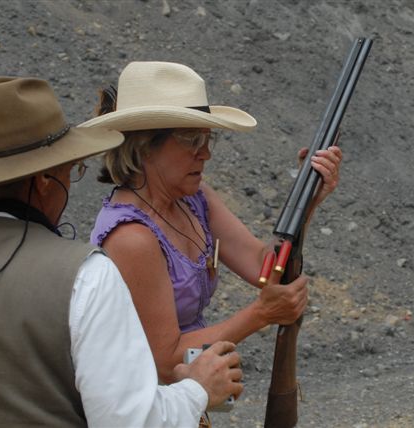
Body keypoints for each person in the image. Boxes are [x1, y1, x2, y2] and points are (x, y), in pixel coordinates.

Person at [0, 76, 243, 427]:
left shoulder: (190, 204)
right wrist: (198, 389)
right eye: (70, 169)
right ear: (44, 180)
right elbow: (130, 420)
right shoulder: (85, 275)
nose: (205, 152)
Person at [81, 61, 343, 382]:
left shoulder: (194, 199)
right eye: (192, 140)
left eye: (208, 140)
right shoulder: (131, 237)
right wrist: (261, 314)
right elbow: (164, 360)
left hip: (184, 401)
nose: (205, 154)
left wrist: (308, 198)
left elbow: (263, 265)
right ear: (145, 146)